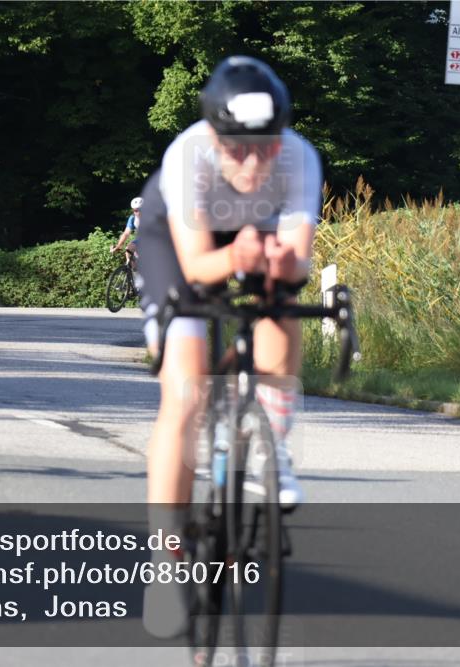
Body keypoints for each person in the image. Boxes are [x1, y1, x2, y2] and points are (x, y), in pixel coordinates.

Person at [136, 56, 322, 637]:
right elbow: (197, 268)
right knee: (186, 391)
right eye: (236, 147)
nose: (250, 161)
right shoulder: (188, 155)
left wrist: (279, 265)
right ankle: (165, 567)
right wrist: (239, 257)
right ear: (214, 137)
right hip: (179, 241)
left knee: (282, 300)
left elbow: (297, 259)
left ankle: (270, 437)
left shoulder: (299, 158)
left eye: (263, 146)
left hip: (252, 239)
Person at [110, 196, 143, 269]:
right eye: (135, 210)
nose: (136, 212)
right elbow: (126, 233)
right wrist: (118, 246)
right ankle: (131, 271)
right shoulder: (133, 218)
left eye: (139, 210)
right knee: (128, 250)